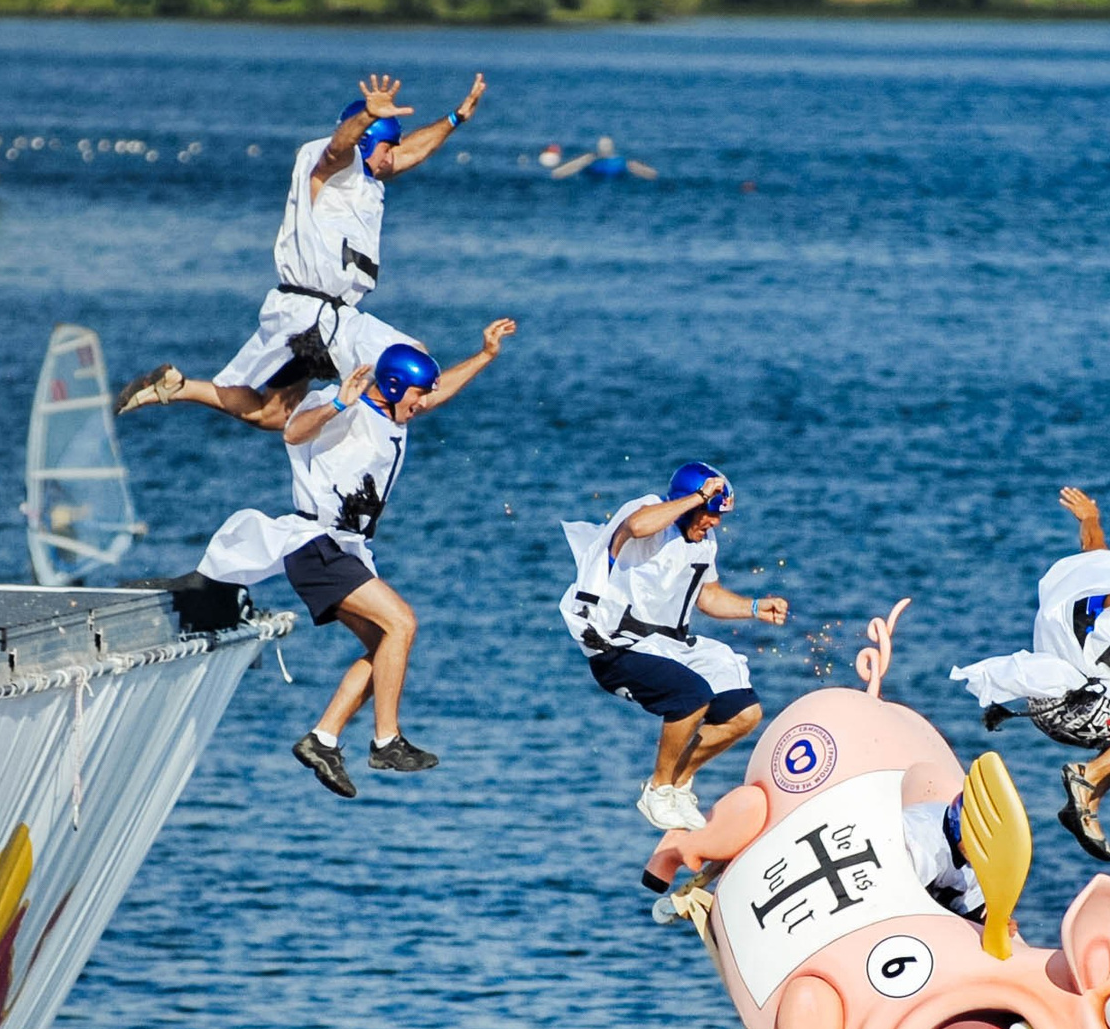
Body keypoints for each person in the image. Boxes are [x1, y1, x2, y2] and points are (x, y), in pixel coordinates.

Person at [198, 319, 516, 797]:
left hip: (345, 548)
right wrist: (339, 402)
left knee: (387, 648)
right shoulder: (347, 410)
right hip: (315, 544)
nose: (422, 403)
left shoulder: (395, 411)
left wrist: (485, 354)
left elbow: (437, 392)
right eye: (416, 395)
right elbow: (293, 431)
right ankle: (386, 741)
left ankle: (322, 739)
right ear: (391, 387)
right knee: (403, 624)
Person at [115, 72, 486, 429]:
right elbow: (337, 149)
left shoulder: (366, 178)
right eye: (388, 148)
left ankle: (178, 388)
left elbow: (411, 154)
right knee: (410, 361)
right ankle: (360, 450)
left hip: (310, 313)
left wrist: (456, 118)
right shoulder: (329, 164)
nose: (393, 158)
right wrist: (368, 116)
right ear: (367, 142)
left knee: (274, 416)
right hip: (315, 313)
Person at [950, 486, 1110, 863]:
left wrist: (1090, 518)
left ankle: (1084, 807)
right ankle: (1086, 778)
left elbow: (1092, 545)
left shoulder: (1107, 566)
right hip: (1068, 709)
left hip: (1041, 698)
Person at [559, 463, 789, 831]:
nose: (714, 523)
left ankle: (678, 783)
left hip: (669, 646)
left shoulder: (704, 544)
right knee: (691, 697)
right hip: (616, 648)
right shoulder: (651, 517)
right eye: (710, 514)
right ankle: (657, 788)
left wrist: (756, 608)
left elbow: (709, 596)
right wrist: (697, 497)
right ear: (688, 502)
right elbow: (635, 526)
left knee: (745, 712)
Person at [904, 793, 985, 921]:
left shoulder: (981, 871)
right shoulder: (920, 843)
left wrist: (993, 925)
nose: (980, 846)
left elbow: (972, 916)